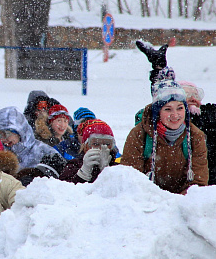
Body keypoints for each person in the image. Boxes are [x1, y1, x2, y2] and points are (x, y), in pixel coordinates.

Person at [136, 40, 216, 185]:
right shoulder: (173, 120)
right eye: (187, 94)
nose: (192, 98)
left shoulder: (209, 115)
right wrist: (159, 68)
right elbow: (162, 98)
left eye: (196, 94)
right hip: (186, 186)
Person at [121, 71, 208, 194]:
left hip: (182, 204)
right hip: (146, 202)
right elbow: (131, 181)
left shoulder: (195, 136)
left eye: (180, 108)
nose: (175, 115)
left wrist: (177, 204)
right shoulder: (139, 134)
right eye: (168, 109)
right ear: (157, 112)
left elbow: (198, 184)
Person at [0, 106, 58, 171]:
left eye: (7, 134)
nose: (3, 139)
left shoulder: (45, 152)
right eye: (0, 134)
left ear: (20, 132)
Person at [59, 119, 119, 184]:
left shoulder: (118, 168)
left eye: (107, 144)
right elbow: (63, 189)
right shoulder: (73, 166)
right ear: (85, 146)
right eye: (95, 144)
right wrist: (83, 174)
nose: (101, 148)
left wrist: (106, 171)